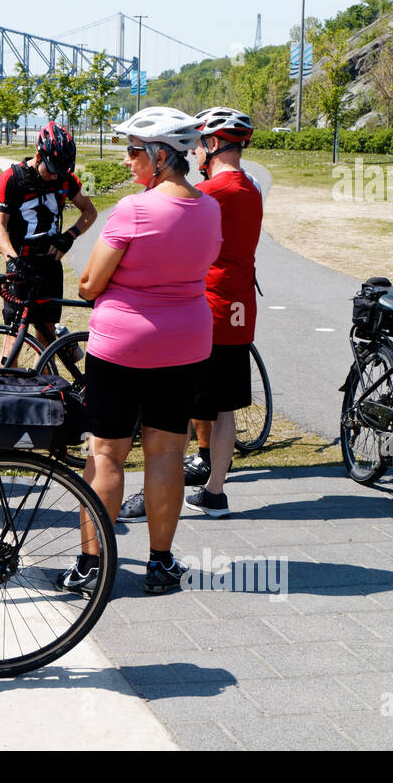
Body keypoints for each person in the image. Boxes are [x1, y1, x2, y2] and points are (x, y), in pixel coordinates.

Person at [64, 106, 221, 596]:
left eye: (134, 152)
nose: (128, 161)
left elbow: (90, 284)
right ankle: (161, 563)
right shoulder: (210, 207)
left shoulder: (134, 209)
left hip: (123, 345)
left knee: (107, 453)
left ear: (159, 155)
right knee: (167, 452)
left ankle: (92, 566)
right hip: (186, 343)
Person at [117, 106, 263, 522]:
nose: (196, 154)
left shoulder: (211, 193)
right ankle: (215, 492)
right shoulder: (251, 188)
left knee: (173, 409)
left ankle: (155, 498)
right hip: (239, 309)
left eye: (200, 145)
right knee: (224, 408)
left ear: (213, 144)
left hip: (206, 309)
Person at [0, 122, 96, 356]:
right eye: (50, 170)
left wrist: (70, 236)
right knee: (14, 335)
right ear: (39, 155)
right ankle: (6, 384)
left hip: (49, 267)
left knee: (46, 336)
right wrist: (11, 259)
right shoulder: (12, 177)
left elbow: (90, 211)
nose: (54, 177)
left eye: (60, 172)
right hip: (20, 266)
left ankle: (48, 387)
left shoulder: (67, 179)